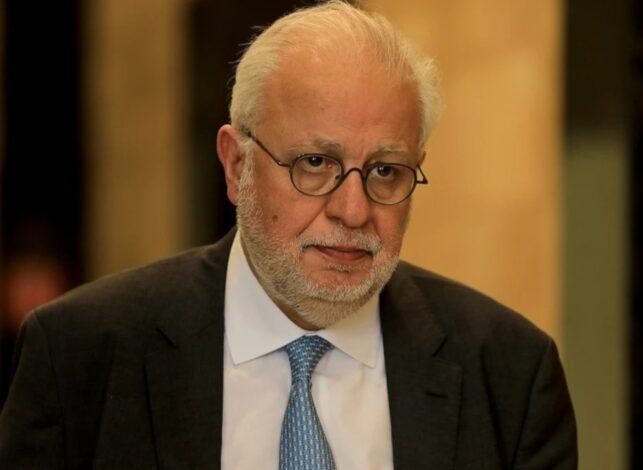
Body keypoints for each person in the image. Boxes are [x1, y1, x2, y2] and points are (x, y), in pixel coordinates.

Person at [0, 1, 577, 468]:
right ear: (236, 166)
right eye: (315, 164)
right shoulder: (79, 356)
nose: (353, 211)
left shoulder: (509, 374)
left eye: (385, 171)